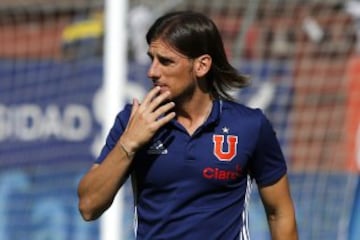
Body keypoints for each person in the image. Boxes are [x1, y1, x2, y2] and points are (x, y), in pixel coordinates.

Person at [77, 11, 298, 240]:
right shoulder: (133, 120)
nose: (152, 71)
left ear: (201, 66)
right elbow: (88, 206)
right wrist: (129, 143)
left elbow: (279, 212)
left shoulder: (249, 125)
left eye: (165, 61)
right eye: (151, 58)